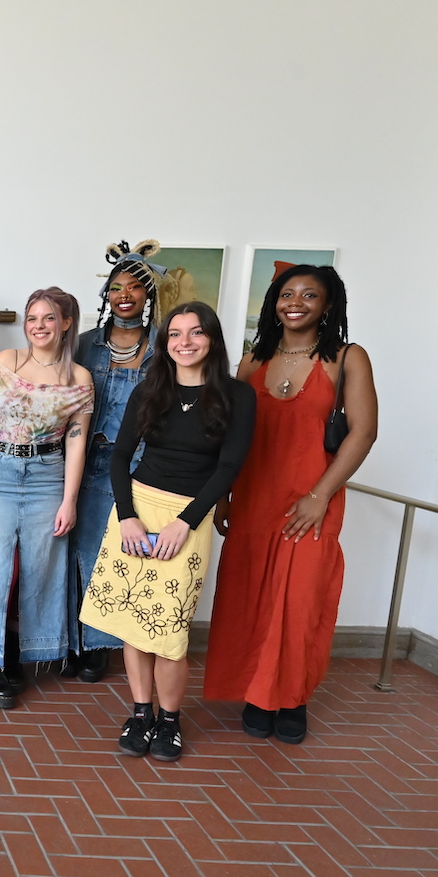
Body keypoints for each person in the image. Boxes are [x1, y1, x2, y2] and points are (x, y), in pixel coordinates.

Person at [205, 265, 377, 744]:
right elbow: (229, 439)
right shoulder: (250, 361)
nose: (295, 301)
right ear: (273, 302)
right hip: (254, 499)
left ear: (328, 305)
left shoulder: (347, 358)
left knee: (301, 602)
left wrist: (321, 495)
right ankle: (258, 696)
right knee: (250, 596)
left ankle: (292, 697)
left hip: (312, 501)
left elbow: (363, 433)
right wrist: (223, 496)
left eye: (309, 294)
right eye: (286, 293)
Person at [81, 303, 256, 760]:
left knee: (169, 630)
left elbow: (230, 467)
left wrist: (187, 521)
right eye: (175, 334)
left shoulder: (238, 396)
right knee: (132, 624)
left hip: (189, 517)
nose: (184, 342)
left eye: (196, 333)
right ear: (165, 343)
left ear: (213, 340)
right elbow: (120, 458)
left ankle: (171, 721)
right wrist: (128, 516)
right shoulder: (149, 389)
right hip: (136, 509)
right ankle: (141, 713)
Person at [0, 288, 94, 709]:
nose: (38, 325)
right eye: (32, 317)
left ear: (67, 323)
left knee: (42, 567)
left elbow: (76, 443)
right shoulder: (8, 362)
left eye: (48, 318)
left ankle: (22, 650)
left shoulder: (80, 380)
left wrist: (69, 499)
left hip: (46, 477)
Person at [68, 240, 175, 684]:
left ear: (148, 295)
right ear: (105, 295)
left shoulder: (164, 346)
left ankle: (119, 642)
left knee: (131, 555)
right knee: (85, 553)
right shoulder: (85, 344)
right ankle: (84, 643)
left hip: (143, 466)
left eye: (135, 287)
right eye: (116, 287)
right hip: (88, 461)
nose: (125, 294)